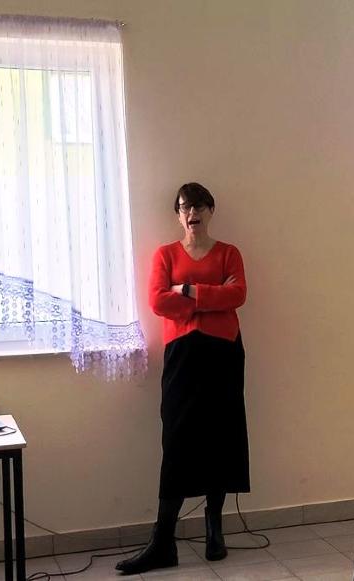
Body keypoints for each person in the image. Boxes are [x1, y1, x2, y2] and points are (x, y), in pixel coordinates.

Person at [117, 183, 250, 574]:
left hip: (224, 353)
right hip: (182, 356)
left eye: (199, 206)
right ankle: (163, 541)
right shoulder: (165, 254)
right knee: (177, 440)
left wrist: (188, 290)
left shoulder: (229, 253)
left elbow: (238, 295)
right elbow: (158, 301)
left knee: (221, 436)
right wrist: (211, 298)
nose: (193, 213)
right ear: (178, 214)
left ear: (211, 210)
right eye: (185, 207)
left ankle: (214, 531)